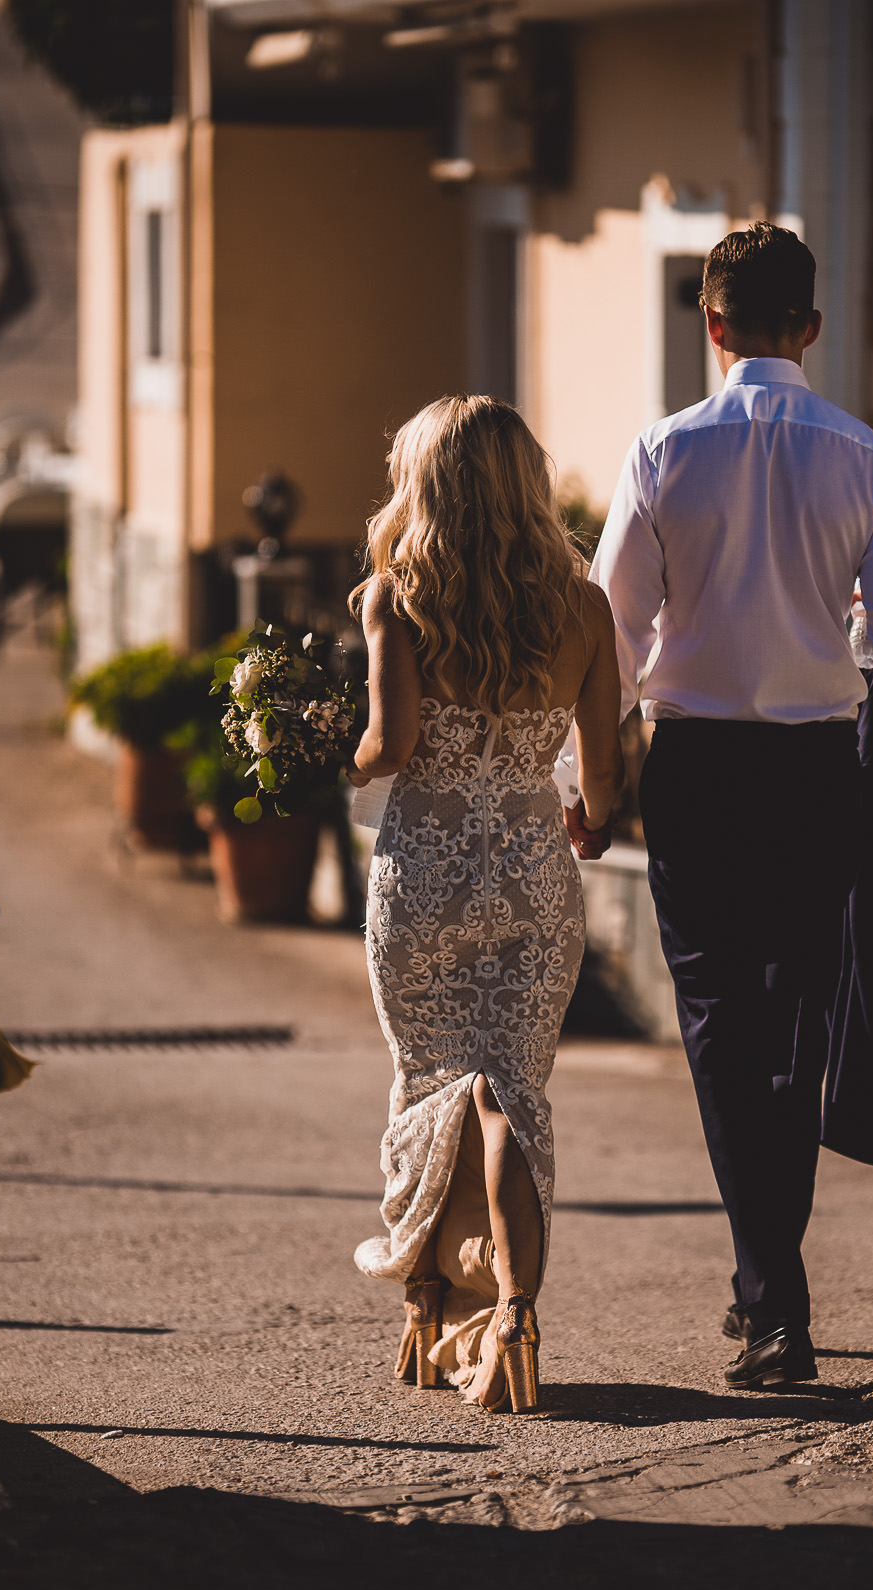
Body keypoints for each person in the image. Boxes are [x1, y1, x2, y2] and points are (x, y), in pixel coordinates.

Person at [587, 224, 873, 1389]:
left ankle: (771, 1292)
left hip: (695, 768)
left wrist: (586, 775)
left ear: (711, 321)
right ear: (811, 327)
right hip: (812, 767)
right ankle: (769, 1287)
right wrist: (838, 625)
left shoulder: (659, 453)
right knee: (796, 1015)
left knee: (718, 1022)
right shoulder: (869, 459)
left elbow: (611, 628)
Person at [347, 395, 623, 1413]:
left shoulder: (395, 598)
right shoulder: (584, 607)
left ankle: (428, 1300)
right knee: (508, 1090)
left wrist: (327, 753)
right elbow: (599, 779)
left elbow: (391, 745)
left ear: (424, 486)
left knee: (430, 1085)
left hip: (422, 877)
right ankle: (508, 1309)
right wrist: (583, 820)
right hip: (530, 882)